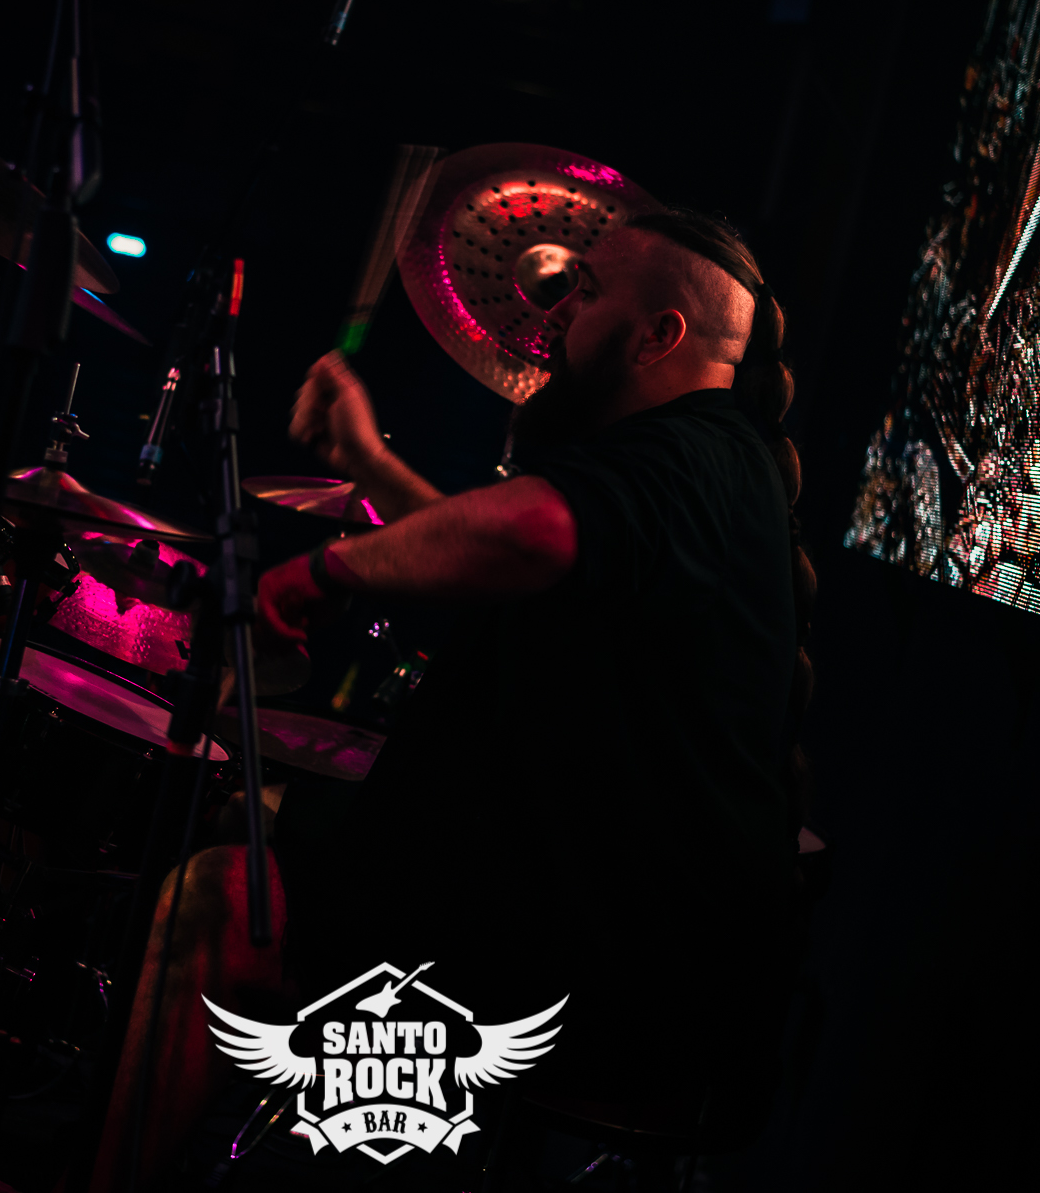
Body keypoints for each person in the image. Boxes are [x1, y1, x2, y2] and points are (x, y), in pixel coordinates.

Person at [91, 208, 811, 1188]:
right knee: (257, 827)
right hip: (586, 937)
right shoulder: (701, 466)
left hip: (595, 972)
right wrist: (367, 461)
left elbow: (529, 531)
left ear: (658, 336)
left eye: (586, 291)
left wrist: (322, 571)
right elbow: (496, 550)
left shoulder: (689, 451)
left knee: (219, 899)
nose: (554, 312)